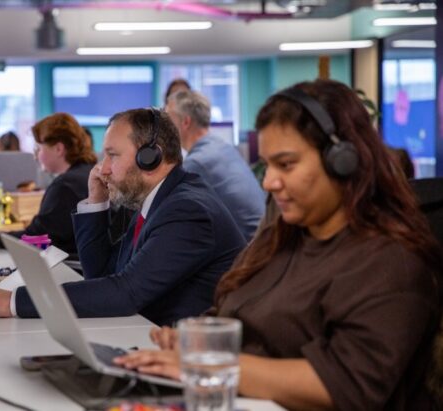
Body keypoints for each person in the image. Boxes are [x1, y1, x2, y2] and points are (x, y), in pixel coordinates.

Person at [114, 80, 442, 410]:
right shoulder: (285, 237)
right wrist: (195, 340)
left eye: (286, 164)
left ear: (342, 161)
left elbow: (347, 385)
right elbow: (236, 313)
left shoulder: (389, 261)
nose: (269, 181)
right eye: (268, 164)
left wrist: (213, 364)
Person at [0, 108, 246, 325]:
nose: (103, 169)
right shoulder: (157, 200)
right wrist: (96, 202)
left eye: (113, 155)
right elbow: (101, 275)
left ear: (150, 158)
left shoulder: (187, 211)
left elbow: (125, 293)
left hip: (185, 351)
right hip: (145, 331)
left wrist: (14, 302)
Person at [0, 112, 96, 256]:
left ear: (58, 149)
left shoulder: (65, 186)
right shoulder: (88, 173)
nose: (35, 155)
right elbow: (45, 233)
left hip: (70, 270)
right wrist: (6, 233)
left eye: (39, 148)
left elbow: (38, 239)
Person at [166, 90, 265, 241]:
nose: (164, 126)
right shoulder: (222, 147)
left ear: (185, 122)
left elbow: (169, 212)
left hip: (251, 252)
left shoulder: (197, 163)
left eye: (168, 118)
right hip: (262, 239)